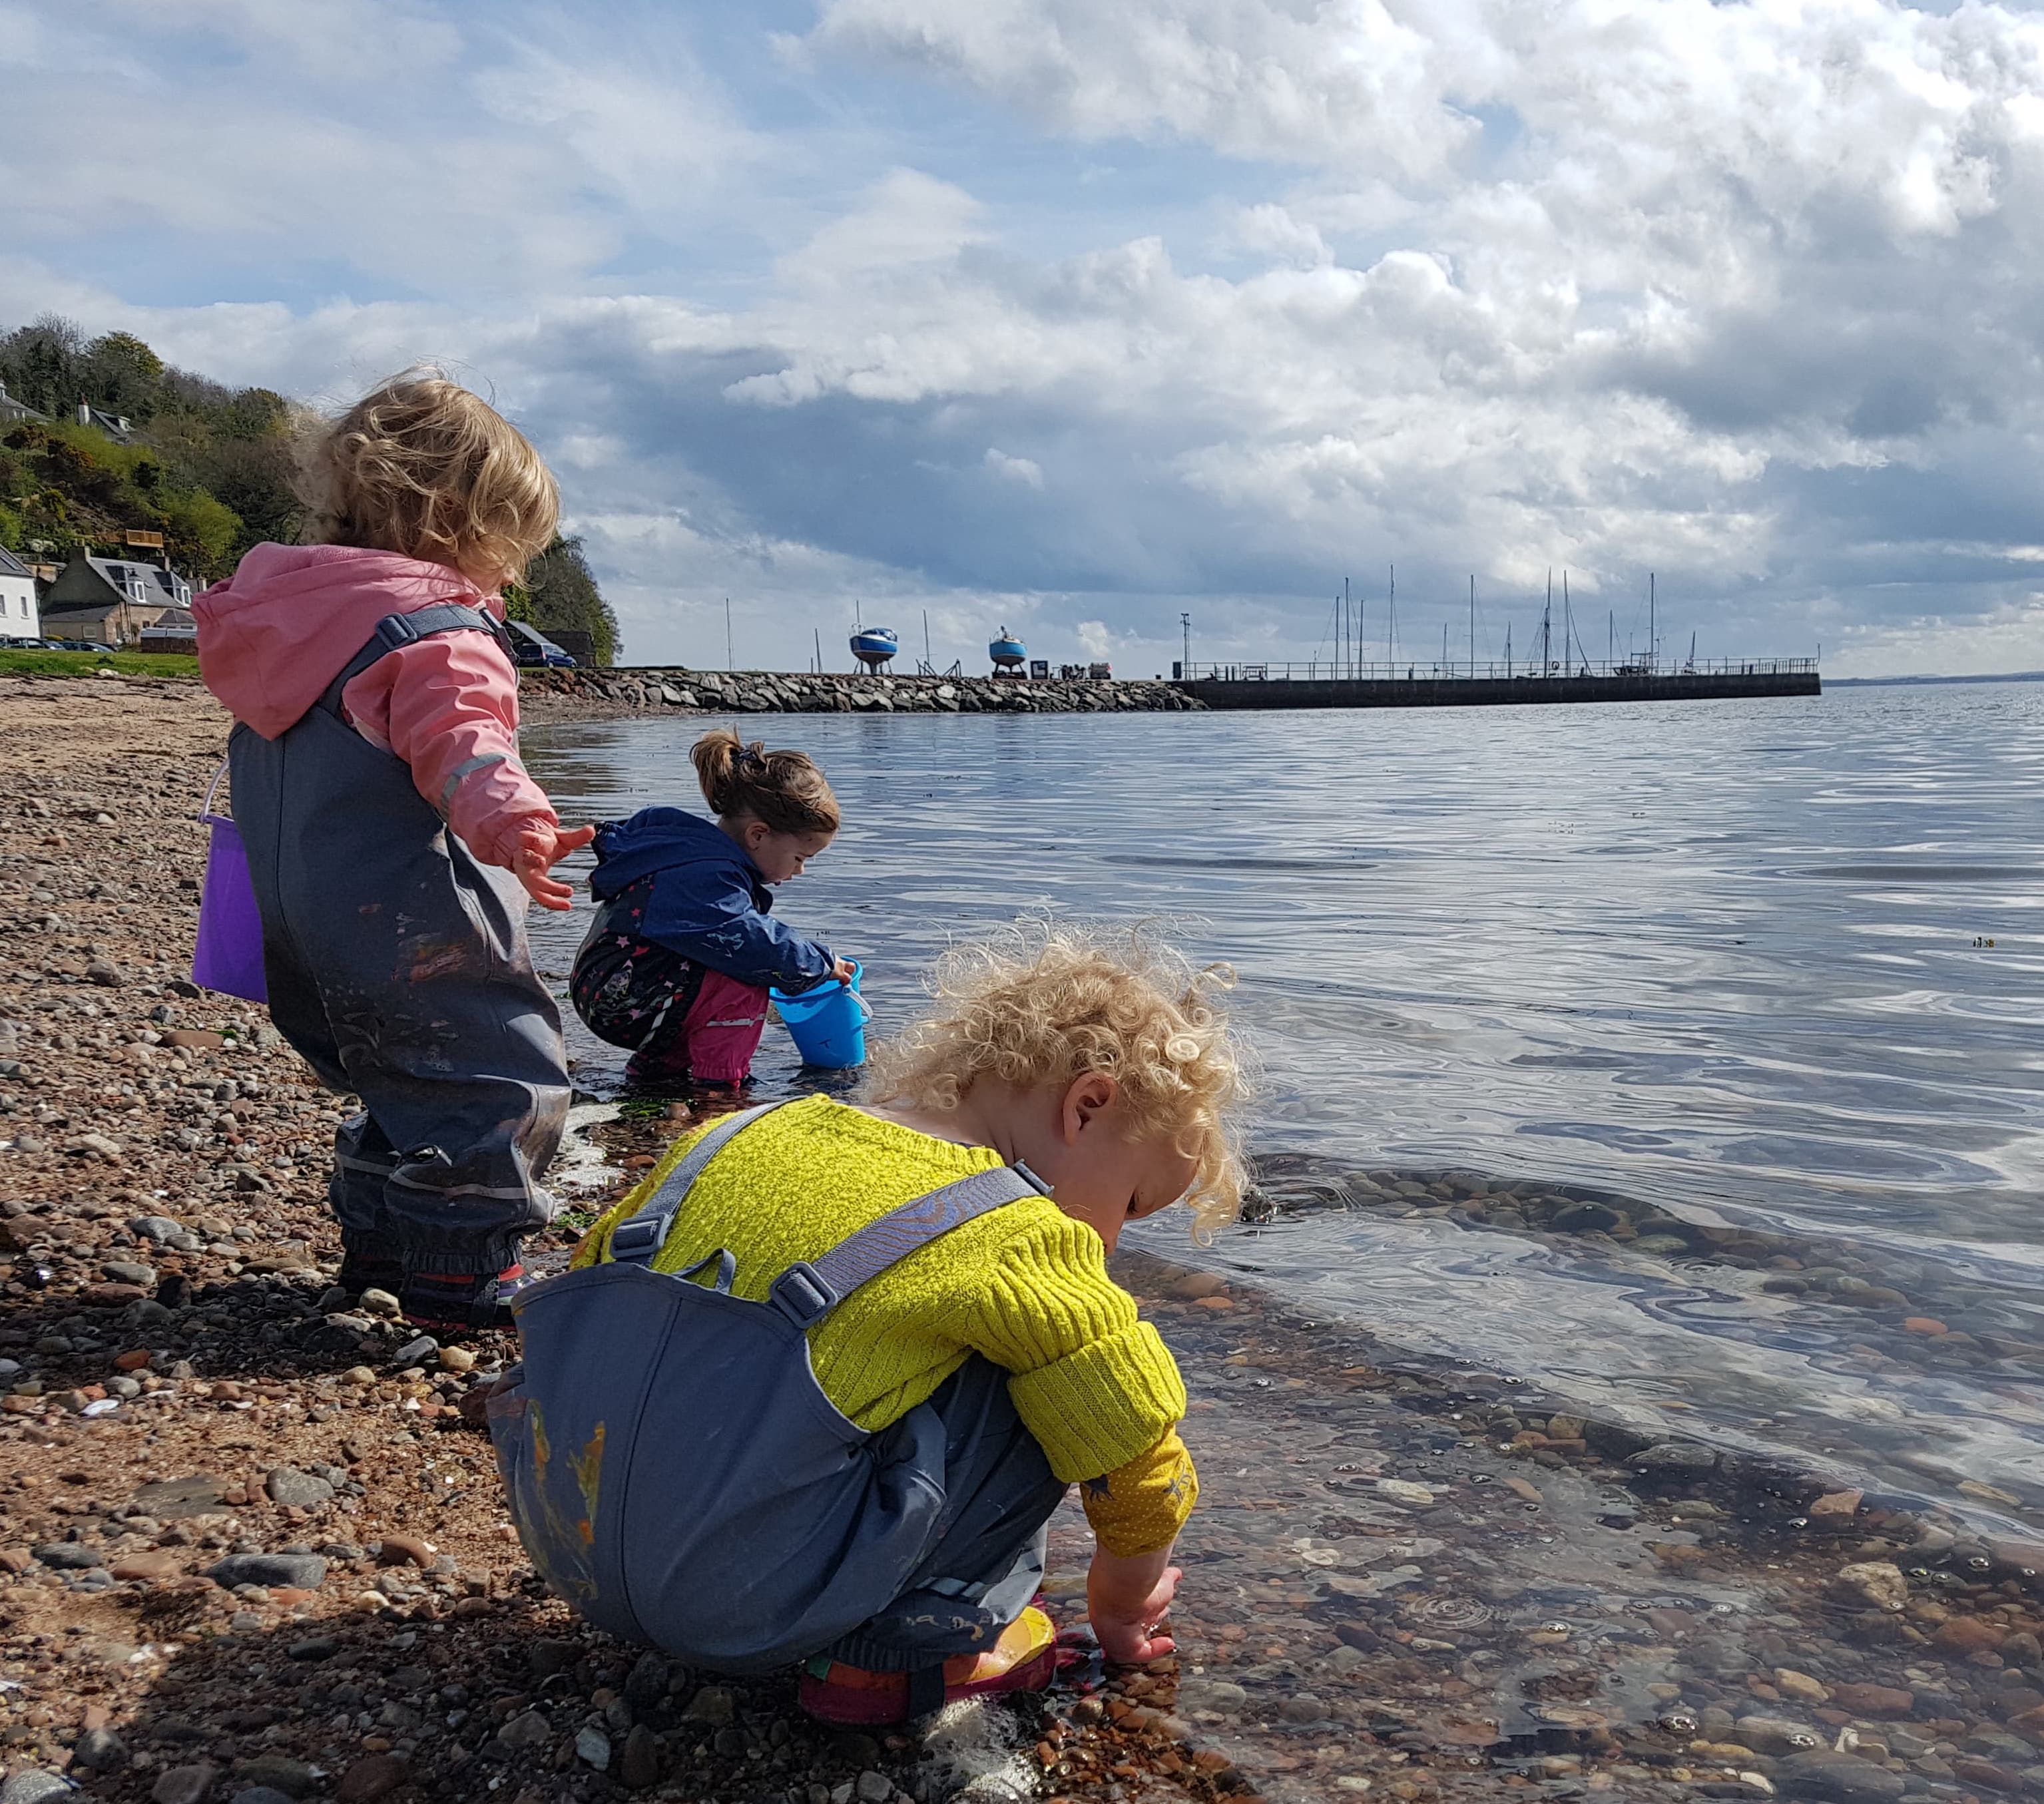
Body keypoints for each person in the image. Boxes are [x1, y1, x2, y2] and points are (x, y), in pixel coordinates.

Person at [489, 928, 1244, 1725]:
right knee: (1068, 1380)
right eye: (1131, 1202)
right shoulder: (1019, 1230)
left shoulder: (729, 1136)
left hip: (567, 1546)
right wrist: (1123, 1601)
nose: (1114, 1241)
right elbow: (1141, 1455)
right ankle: (902, 1655)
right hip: (749, 1601)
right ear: (1087, 1105)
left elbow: (586, 1319)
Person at [194, 370, 591, 1332]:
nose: (511, 577)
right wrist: (520, 829)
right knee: (500, 1076)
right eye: (512, 551)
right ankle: (462, 1273)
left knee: (393, 1077)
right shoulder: (436, 635)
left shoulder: (291, 623)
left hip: (298, 926)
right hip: (406, 918)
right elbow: (470, 750)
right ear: (458, 522)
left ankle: (378, 1242)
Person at [569, 728, 853, 1089]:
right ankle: (720, 1090)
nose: (800, 871)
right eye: (799, 857)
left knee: (712, 963)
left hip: (613, 987)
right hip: (621, 1000)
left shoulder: (692, 856)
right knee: (747, 971)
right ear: (758, 835)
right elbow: (751, 942)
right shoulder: (707, 876)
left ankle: (660, 1071)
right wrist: (819, 964)